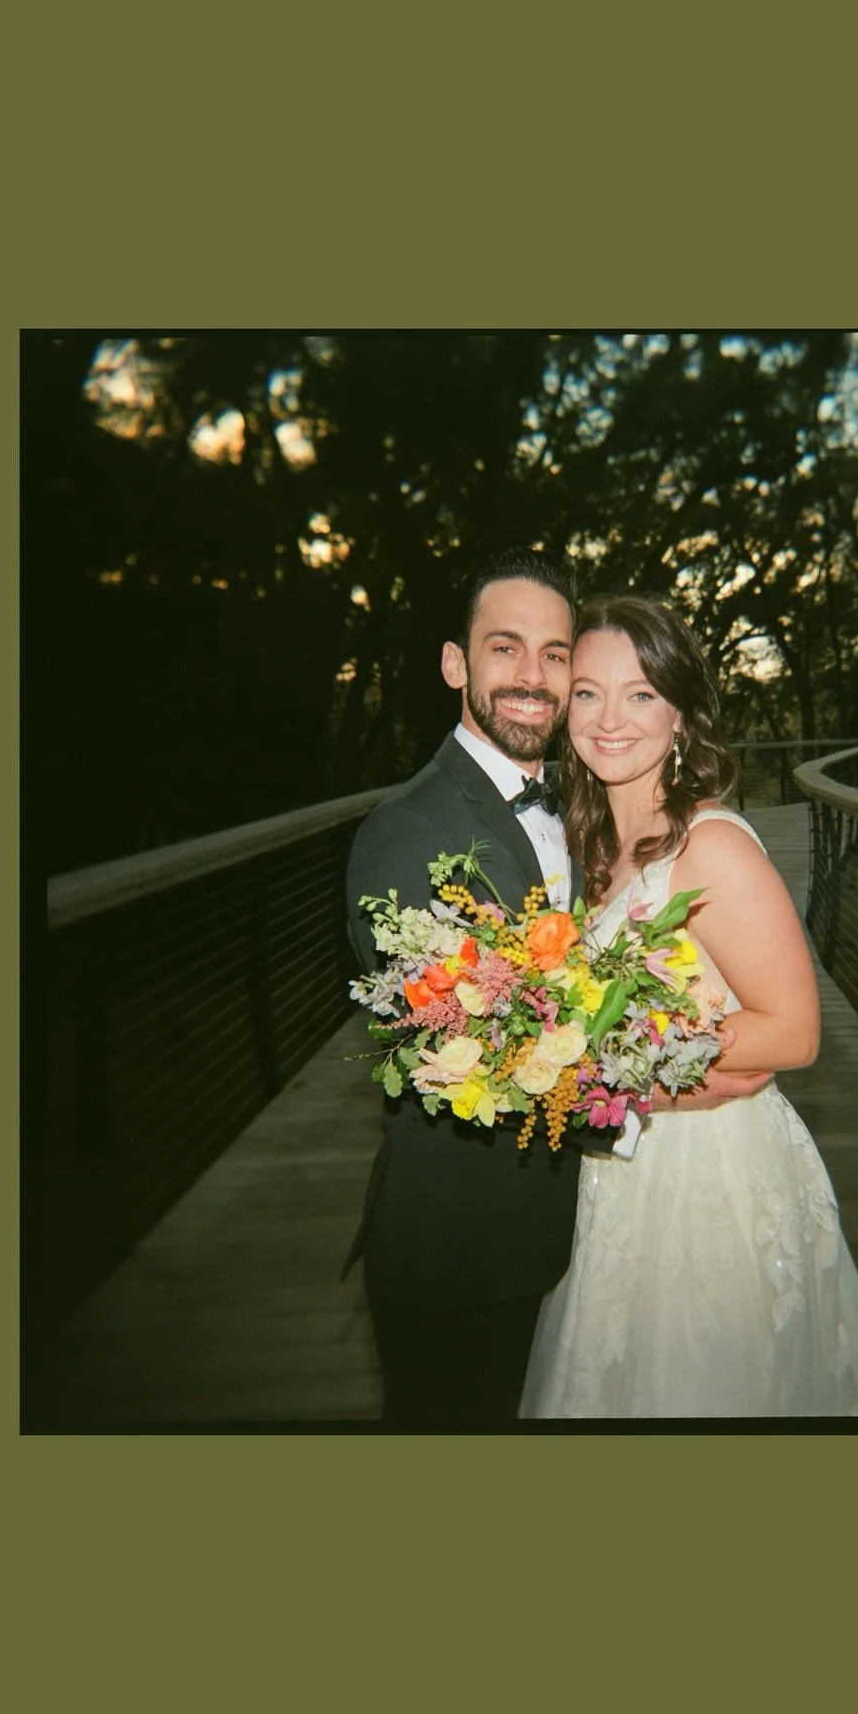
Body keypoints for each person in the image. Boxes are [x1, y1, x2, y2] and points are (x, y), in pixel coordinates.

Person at [342, 554, 765, 1430]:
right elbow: (478, 1059)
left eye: (554, 654)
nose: (533, 677)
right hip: (465, 1248)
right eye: (505, 649)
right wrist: (681, 1076)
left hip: (578, 1231)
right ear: (457, 665)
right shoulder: (406, 833)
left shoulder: (586, 807)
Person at [519, 595, 858, 1418]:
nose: (610, 719)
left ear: (683, 715)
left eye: (642, 694)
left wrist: (630, 1073)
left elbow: (794, 1029)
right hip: (612, 1174)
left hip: (707, 1178)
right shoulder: (586, 847)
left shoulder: (713, 846)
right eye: (588, 692)